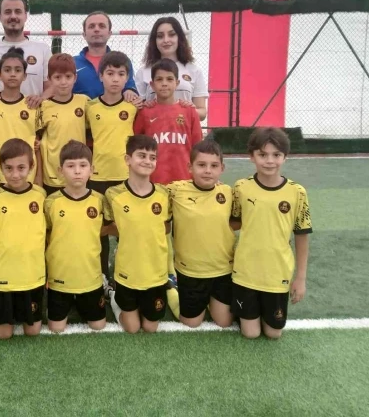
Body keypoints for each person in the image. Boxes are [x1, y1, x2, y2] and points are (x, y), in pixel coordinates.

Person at [230, 127, 313, 339]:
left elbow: (302, 235)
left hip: (277, 272)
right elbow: (232, 224)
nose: (269, 161)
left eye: (276, 155)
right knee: (251, 333)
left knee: (274, 333)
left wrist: (300, 279)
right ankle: (240, 310)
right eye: (262, 154)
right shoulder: (241, 188)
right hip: (246, 271)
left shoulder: (297, 192)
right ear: (252, 157)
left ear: (285, 157)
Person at [103, 135, 173, 334]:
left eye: (152, 157)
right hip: (128, 271)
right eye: (141, 155)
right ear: (127, 159)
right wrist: (130, 232)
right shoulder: (113, 194)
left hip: (155, 271)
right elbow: (106, 228)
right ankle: (114, 297)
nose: (147, 161)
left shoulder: (164, 194)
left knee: (150, 327)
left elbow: (166, 228)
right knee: (132, 328)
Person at [0, 139, 47, 340]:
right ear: (1, 167)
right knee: (3, 334)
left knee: (32, 332)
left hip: (32, 274)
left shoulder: (40, 195)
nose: (15, 174)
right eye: (9, 168)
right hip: (4, 274)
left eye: (21, 168)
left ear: (31, 167)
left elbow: (49, 228)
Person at [167, 140, 235, 328]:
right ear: (190, 167)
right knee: (191, 323)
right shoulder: (175, 191)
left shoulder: (229, 193)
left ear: (222, 168)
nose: (208, 171)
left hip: (222, 269)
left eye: (214, 166)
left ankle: (210, 301)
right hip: (191, 271)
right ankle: (171, 288)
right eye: (201, 165)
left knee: (225, 322)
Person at [85, 50, 137, 293]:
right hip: (97, 177)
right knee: (100, 230)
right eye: (110, 73)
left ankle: (125, 274)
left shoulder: (133, 107)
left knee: (126, 229)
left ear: (127, 78)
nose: (115, 79)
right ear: (101, 76)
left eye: (121, 74)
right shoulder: (90, 107)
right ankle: (103, 277)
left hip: (125, 178)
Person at [44, 140, 107, 332]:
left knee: (98, 326)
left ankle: (109, 298)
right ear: (60, 170)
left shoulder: (100, 200)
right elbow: (45, 234)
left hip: (90, 277)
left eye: (83, 165)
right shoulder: (51, 202)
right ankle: (67, 301)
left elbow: (106, 230)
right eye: (70, 166)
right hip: (59, 278)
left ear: (91, 170)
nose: (77, 171)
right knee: (56, 329)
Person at [133, 58, 203, 185]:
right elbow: (135, 148)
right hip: (152, 182)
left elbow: (198, 148)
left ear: (177, 83)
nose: (164, 83)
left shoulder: (189, 111)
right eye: (159, 79)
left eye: (169, 79)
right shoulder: (145, 112)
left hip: (184, 181)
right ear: (152, 84)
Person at [0, 0, 51, 106]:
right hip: (0, 115)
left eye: (18, 12)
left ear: (25, 16)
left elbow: (51, 87)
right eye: (7, 12)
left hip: (33, 113)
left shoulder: (43, 49)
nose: (13, 16)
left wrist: (41, 98)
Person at [0, 48, 42, 189]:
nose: (13, 74)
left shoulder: (32, 105)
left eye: (18, 70)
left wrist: (39, 177)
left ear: (24, 75)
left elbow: (38, 144)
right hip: (0, 176)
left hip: (28, 177)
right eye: (7, 70)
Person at [135, 16, 208, 120]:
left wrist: (187, 110)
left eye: (171, 35)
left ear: (179, 38)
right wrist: (146, 107)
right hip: (153, 129)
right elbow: (137, 111)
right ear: (154, 41)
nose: (166, 40)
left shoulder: (194, 70)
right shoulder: (143, 72)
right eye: (160, 36)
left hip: (183, 129)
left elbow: (202, 112)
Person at [38, 53, 88, 195]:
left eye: (68, 76)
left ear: (75, 78)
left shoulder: (84, 102)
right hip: (53, 173)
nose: (63, 82)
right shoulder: (44, 107)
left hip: (78, 171)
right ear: (49, 79)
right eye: (57, 77)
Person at [73, 11, 140, 105]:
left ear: (109, 33)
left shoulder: (122, 60)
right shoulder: (72, 63)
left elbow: (129, 85)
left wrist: (130, 91)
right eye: (91, 26)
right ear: (84, 34)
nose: (96, 29)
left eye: (102, 26)